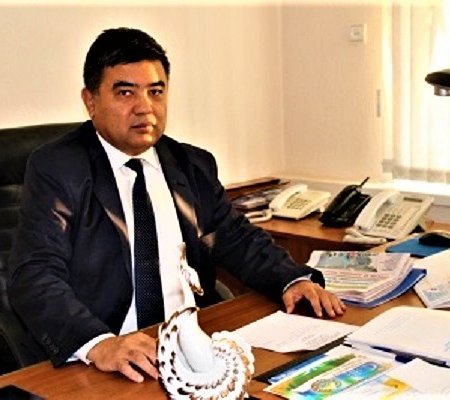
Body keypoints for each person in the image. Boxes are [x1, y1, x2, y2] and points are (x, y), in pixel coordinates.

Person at [8, 27, 346, 383]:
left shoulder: (192, 164)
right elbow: (33, 273)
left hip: (194, 352)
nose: (145, 107)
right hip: (114, 360)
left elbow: (235, 237)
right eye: (125, 92)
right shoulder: (58, 168)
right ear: (90, 101)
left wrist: (292, 279)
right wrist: (100, 344)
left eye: (156, 92)